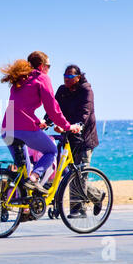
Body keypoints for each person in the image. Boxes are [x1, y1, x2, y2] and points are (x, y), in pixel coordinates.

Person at [1, 52, 81, 194]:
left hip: (7, 128)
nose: (49, 69)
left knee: (23, 172)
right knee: (51, 151)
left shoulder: (20, 78)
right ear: (42, 66)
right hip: (24, 129)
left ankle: (24, 209)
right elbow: (52, 108)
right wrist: (68, 126)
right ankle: (35, 177)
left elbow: (19, 107)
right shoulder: (42, 78)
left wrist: (37, 122)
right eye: (49, 66)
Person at [45, 64, 104, 218]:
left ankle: (78, 210)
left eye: (70, 76)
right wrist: (46, 122)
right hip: (68, 137)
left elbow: (86, 111)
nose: (67, 79)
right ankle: (97, 195)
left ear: (78, 77)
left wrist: (77, 126)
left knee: (81, 174)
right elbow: (53, 109)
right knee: (73, 174)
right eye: (65, 76)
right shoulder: (62, 91)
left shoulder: (86, 90)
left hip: (84, 137)